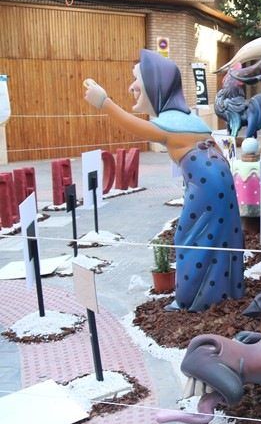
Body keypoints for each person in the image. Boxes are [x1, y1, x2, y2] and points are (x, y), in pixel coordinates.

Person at [83, 49, 245, 312]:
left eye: (137, 80)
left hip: (206, 186)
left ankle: (193, 299)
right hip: (216, 181)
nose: (131, 87)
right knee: (216, 234)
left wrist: (105, 103)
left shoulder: (172, 123)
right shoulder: (188, 120)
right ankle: (220, 291)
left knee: (190, 237)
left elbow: (138, 128)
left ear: (155, 85)